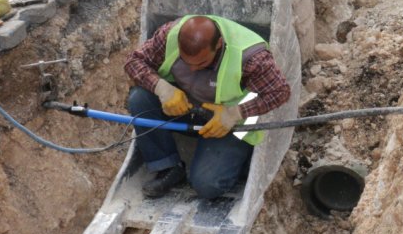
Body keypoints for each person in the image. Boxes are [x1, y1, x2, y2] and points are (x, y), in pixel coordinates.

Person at [123, 15, 291, 199]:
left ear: (218, 44)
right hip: (187, 109)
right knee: (139, 98)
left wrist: (235, 113)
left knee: (208, 185)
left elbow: (280, 92)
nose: (193, 69)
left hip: (226, 124)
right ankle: (168, 167)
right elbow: (133, 62)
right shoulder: (170, 34)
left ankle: (239, 162)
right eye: (186, 62)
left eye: (202, 63)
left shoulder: (252, 57)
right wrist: (161, 88)